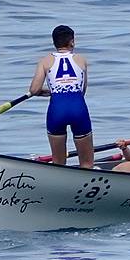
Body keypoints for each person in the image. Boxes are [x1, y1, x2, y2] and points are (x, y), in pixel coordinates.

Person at [28, 25, 93, 168]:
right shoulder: (81, 60)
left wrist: (51, 91)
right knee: (87, 163)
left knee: (58, 163)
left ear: (54, 43)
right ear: (72, 42)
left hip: (56, 110)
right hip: (78, 108)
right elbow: (82, 90)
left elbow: (33, 90)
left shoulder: (45, 61)